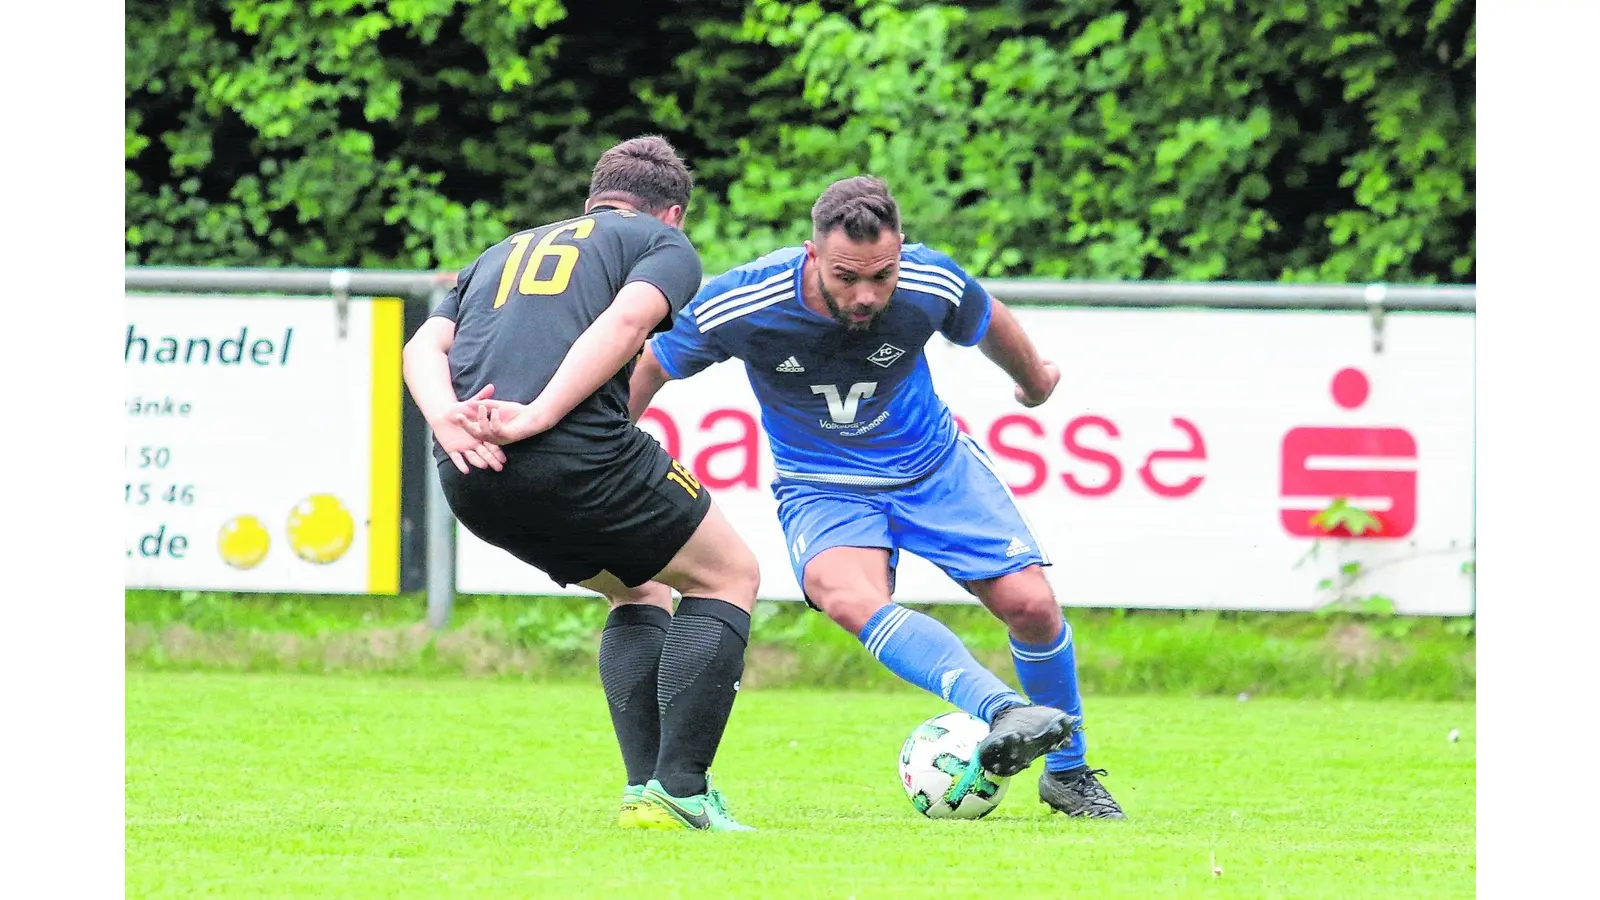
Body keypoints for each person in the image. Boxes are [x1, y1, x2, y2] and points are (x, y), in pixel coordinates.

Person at [625, 175, 1125, 819]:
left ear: (901, 253)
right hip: (823, 482)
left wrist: (1035, 382)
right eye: (845, 277)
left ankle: (1068, 773)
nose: (865, 296)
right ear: (811, 255)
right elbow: (653, 362)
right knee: (847, 597)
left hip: (932, 466)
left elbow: (985, 317)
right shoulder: (743, 301)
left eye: (881, 277)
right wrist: (608, 445)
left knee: (1031, 605)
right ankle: (1003, 710)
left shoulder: (927, 282)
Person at [404, 135, 759, 832]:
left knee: (640, 588)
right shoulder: (663, 245)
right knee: (729, 575)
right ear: (673, 215)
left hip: (471, 472)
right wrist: (538, 414)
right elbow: (628, 322)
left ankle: (646, 792)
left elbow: (422, 347)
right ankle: (682, 792)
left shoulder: (501, 250)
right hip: (572, 453)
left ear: (593, 200)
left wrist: (447, 422)